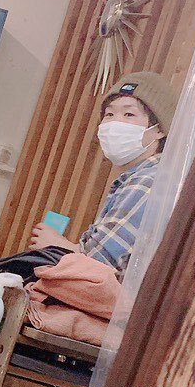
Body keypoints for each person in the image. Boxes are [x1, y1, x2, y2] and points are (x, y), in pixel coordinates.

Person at [28, 71, 177, 277]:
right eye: (109, 114)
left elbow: (100, 263)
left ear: (159, 129)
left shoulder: (148, 181)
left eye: (129, 114)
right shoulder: (139, 177)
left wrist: (56, 244)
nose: (115, 123)